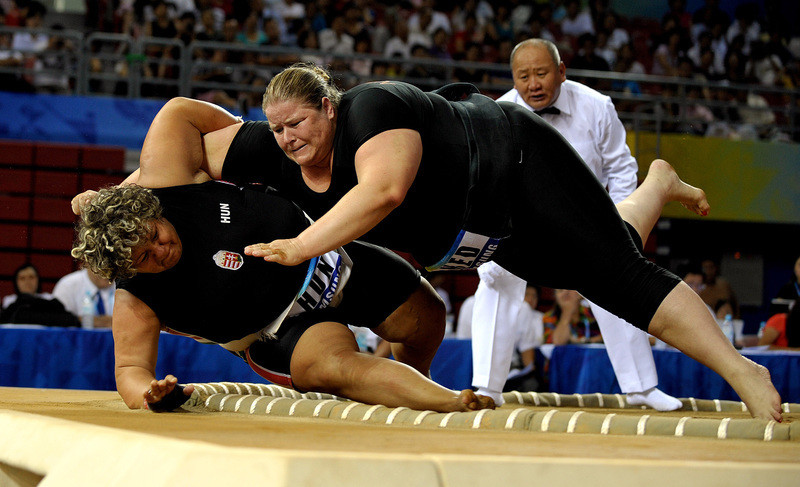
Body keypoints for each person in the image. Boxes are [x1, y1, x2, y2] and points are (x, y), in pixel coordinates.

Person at [227, 63, 782, 421]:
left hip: (514, 165)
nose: (287, 138)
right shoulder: (277, 154)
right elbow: (190, 132)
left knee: (619, 276)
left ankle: (743, 372)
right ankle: (657, 184)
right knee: (593, 263)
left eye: (297, 122)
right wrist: (143, 194)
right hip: (483, 237)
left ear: (328, 105)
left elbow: (385, 192)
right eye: (276, 130)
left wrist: (300, 247)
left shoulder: (369, 108)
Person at [71, 97, 493, 414]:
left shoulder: (166, 179)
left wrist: (239, 136)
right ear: (127, 269)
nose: (160, 251)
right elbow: (128, 369)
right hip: (279, 330)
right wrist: (148, 394)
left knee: (427, 318)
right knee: (339, 368)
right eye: (144, 257)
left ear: (150, 210)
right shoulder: (135, 299)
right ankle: (448, 401)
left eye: (156, 235)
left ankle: (419, 385)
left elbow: (178, 110)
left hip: (330, 260)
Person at [484, 38, 681, 411]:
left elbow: (622, 169)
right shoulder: (498, 113)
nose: (533, 83)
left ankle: (641, 389)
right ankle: (486, 388)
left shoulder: (596, 106)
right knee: (495, 279)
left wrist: (622, 225)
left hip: (586, 219)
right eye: (523, 76)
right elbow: (490, 181)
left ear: (561, 71)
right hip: (521, 223)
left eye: (541, 73)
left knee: (619, 281)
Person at [0, 263, 79, 327]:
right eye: (22, 278)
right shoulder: (9, 301)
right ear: (16, 282)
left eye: (31, 277)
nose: (27, 282)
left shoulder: (49, 299)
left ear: (38, 279)